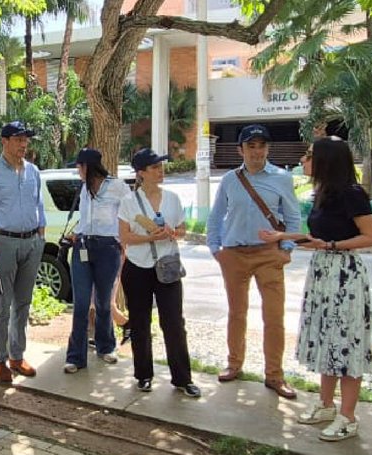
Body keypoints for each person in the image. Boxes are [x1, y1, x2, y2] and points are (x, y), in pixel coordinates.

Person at [260, 137, 372, 441]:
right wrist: (282, 235)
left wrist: (331, 245)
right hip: (323, 272)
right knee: (327, 340)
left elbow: (370, 237)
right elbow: (316, 236)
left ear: (327, 160)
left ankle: (348, 417)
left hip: (345, 275)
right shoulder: (324, 193)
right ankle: (326, 405)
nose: (303, 160)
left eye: (310, 155)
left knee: (347, 345)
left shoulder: (353, 194)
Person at [206, 124, 302, 399]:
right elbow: (216, 216)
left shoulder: (282, 178)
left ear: (268, 149)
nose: (257, 152)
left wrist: (286, 248)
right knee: (236, 314)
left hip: (269, 254)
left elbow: (293, 217)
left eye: (262, 146)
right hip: (234, 254)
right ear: (241, 150)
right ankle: (234, 364)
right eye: (251, 146)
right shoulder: (229, 180)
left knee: (273, 317)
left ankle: (274, 375)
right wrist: (216, 249)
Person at [118, 149, 200, 396]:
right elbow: (124, 237)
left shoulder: (173, 198)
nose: (160, 170)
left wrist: (174, 233)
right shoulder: (129, 202)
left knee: (174, 322)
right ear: (141, 173)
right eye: (154, 167)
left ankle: (182, 378)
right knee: (140, 323)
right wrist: (148, 237)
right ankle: (143, 375)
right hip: (137, 268)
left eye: (161, 166)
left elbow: (183, 229)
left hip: (167, 265)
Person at [0, 121, 44, 384]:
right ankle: (0, 360)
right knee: (2, 305)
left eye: (26, 139)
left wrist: (40, 236)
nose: (24, 144)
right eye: (18, 139)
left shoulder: (33, 172)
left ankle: (17, 356)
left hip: (31, 244)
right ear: (4, 141)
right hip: (1, 243)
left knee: (23, 304)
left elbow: (38, 204)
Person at [63, 148, 125, 374]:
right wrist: (77, 233)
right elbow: (84, 218)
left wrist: (122, 244)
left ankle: (106, 346)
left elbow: (127, 215)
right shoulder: (84, 189)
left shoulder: (117, 187)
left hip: (108, 248)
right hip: (83, 246)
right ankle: (75, 356)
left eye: (79, 167)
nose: (77, 172)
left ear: (87, 167)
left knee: (103, 301)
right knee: (80, 304)